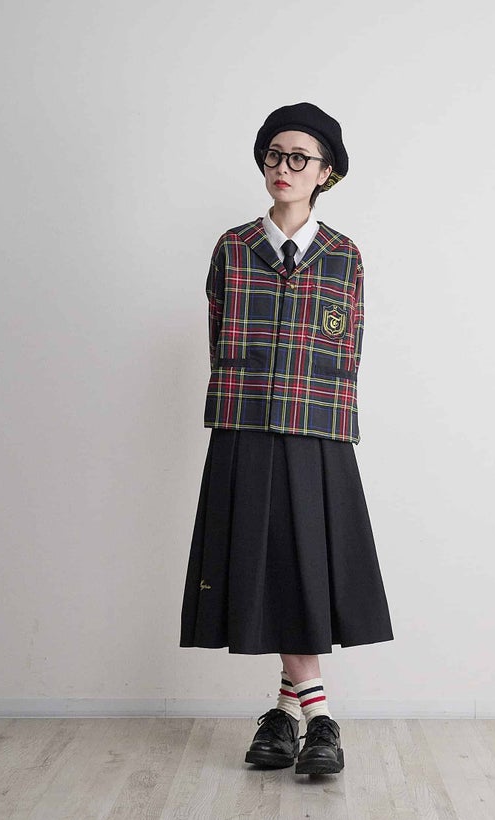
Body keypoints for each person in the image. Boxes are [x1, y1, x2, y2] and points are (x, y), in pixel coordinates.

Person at [179, 102, 394, 776]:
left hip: (317, 429)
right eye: (275, 154)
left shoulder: (345, 257)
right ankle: (316, 718)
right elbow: (219, 337)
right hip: (244, 423)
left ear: (325, 172)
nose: (284, 167)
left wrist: (325, 416)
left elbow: (348, 350)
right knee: (269, 565)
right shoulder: (233, 248)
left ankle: (288, 716)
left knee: (300, 567)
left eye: (300, 157)